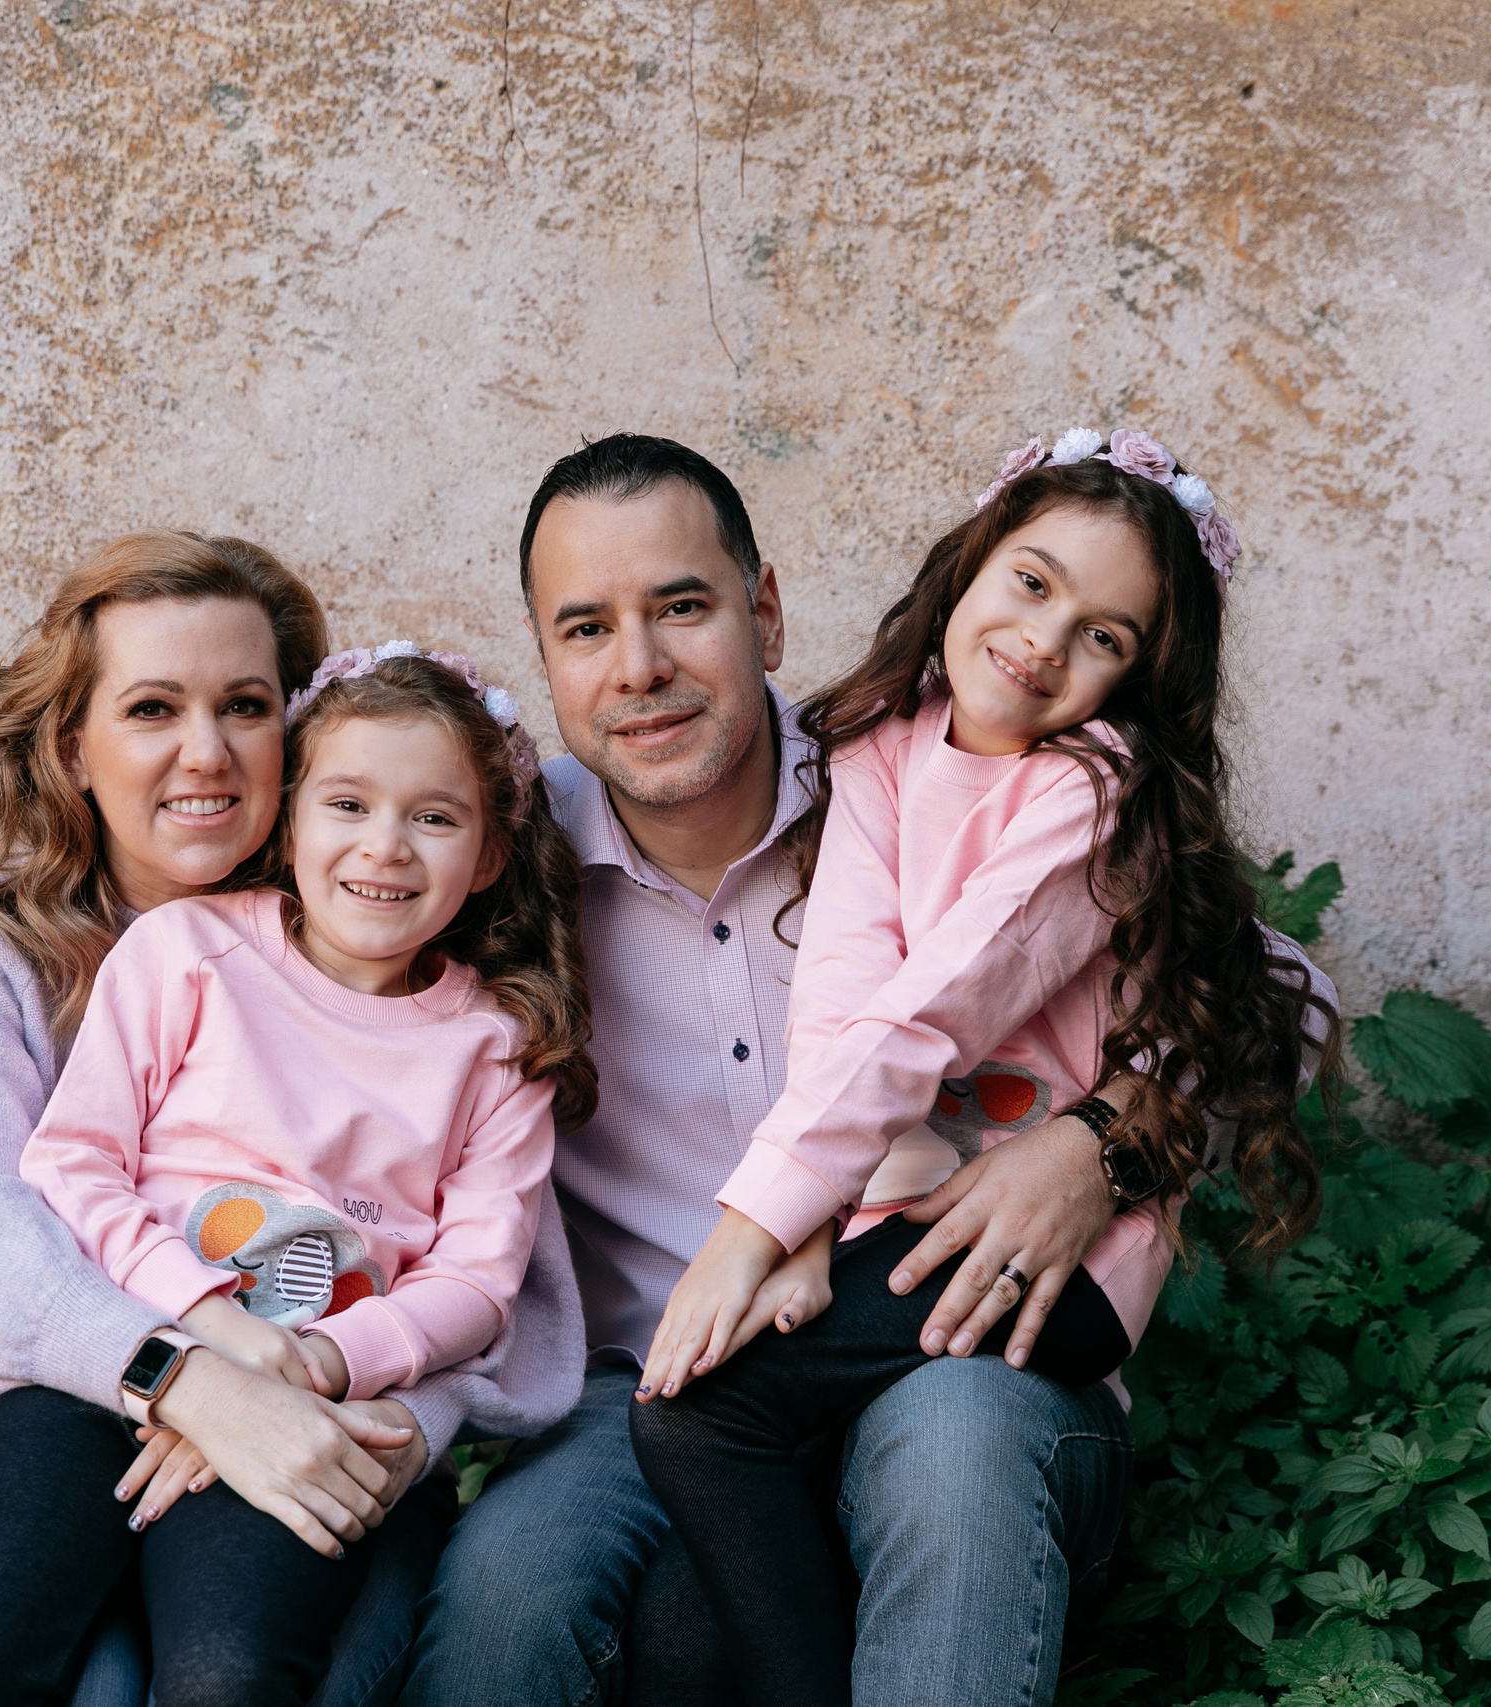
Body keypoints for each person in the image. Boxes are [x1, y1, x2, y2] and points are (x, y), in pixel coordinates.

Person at [405, 436, 1334, 1707]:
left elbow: (1283, 999)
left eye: (682, 607)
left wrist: (1109, 1140)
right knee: (512, 1616)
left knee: (951, 1452)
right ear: (545, 654)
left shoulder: (916, 764)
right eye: (586, 628)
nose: (640, 667)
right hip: (647, 1381)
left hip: (948, 1349)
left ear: (766, 610)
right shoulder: (497, 863)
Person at [0, 537, 583, 1707]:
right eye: (153, 708)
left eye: (244, 707)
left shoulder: (474, 1028)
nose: (206, 752)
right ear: (72, 745)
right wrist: (195, 1374)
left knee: (233, 1677)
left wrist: (339, 1394)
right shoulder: (19, 943)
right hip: (57, 1414)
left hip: (323, 1428)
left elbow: (485, 1297)